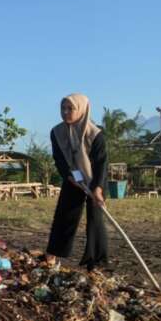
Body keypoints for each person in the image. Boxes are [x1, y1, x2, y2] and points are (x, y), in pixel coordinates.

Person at [45, 93, 108, 271]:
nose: (65, 112)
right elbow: (58, 158)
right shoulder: (56, 132)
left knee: (95, 218)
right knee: (64, 213)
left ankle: (95, 261)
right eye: (63, 108)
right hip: (73, 178)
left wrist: (97, 189)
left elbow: (101, 163)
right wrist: (68, 176)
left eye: (70, 108)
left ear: (82, 110)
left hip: (95, 179)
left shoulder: (96, 134)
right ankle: (53, 253)